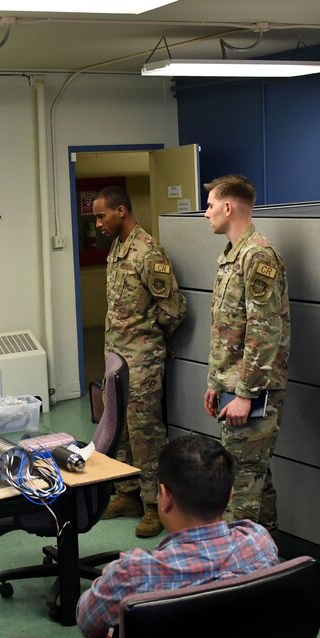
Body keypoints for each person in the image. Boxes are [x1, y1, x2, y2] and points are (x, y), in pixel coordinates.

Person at [76, 434, 280, 638]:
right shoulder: (259, 542)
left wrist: (111, 575)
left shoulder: (132, 573)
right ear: (230, 495)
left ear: (164, 497)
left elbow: (87, 623)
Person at [93, 186, 187, 538]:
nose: (98, 223)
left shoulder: (149, 253)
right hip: (116, 357)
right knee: (119, 430)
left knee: (146, 434)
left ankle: (154, 505)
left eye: (102, 216)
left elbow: (174, 308)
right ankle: (128, 494)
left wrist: (152, 338)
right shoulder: (117, 249)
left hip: (142, 360)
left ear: (121, 211)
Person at [200, 174, 289, 535]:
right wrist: (214, 381)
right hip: (233, 385)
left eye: (209, 206)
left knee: (240, 486)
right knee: (255, 475)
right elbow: (227, 329)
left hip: (253, 391)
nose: (206, 214)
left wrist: (244, 394)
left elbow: (264, 332)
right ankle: (267, 559)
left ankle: (241, 575)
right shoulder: (231, 255)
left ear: (228, 206)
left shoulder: (257, 256)